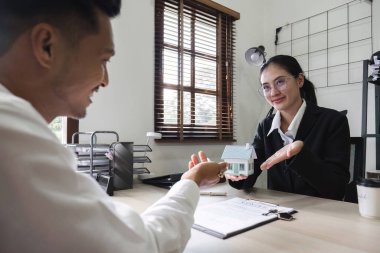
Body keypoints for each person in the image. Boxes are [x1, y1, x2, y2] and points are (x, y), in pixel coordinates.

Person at [0, 1, 226, 252]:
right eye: (103, 60)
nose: (105, 80)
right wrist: (192, 180)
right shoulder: (11, 134)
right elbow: (144, 247)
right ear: (46, 46)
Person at [225, 55, 350, 200]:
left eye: (280, 82)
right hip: (279, 212)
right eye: (266, 87)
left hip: (321, 214)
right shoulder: (265, 126)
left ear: (300, 80)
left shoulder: (334, 121)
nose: (273, 93)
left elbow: (337, 188)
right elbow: (246, 180)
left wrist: (300, 154)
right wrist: (231, 168)